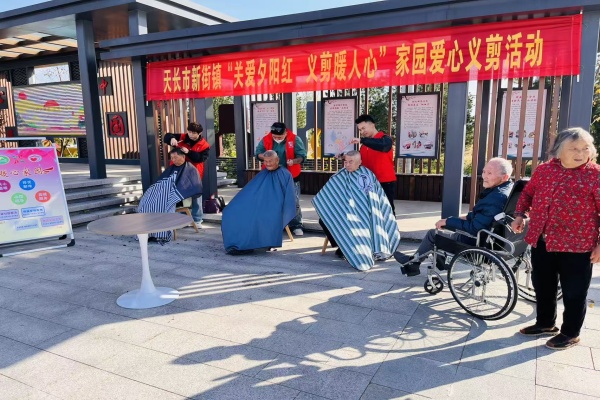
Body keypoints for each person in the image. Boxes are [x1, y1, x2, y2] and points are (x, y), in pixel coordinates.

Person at [512, 128, 600, 350]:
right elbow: (528, 193)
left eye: (585, 148)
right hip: (543, 239)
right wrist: (520, 214)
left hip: (578, 245)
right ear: (559, 150)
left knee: (574, 292)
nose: (581, 153)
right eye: (574, 148)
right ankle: (545, 323)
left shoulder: (595, 174)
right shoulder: (544, 170)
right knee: (543, 285)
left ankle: (570, 333)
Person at [394, 157, 513, 276]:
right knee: (447, 230)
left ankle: (413, 263)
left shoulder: (495, 198)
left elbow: (475, 228)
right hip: (494, 241)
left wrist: (449, 221)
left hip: (478, 244)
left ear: (504, 177)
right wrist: (461, 218)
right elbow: (483, 215)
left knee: (433, 234)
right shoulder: (507, 190)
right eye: (484, 171)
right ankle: (440, 260)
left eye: (490, 173)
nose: (484, 176)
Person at [313, 150, 401, 271]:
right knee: (324, 219)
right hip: (344, 209)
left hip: (363, 212)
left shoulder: (365, 176)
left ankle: (358, 247)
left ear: (360, 162)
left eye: (351, 162)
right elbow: (331, 194)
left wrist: (357, 209)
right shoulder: (340, 175)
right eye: (346, 161)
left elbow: (371, 200)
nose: (347, 164)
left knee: (354, 220)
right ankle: (342, 245)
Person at [221, 150, 296, 254]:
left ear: (277, 160)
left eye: (270, 161)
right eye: (265, 161)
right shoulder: (263, 173)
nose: (268, 164)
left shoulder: (285, 174)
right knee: (231, 211)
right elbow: (250, 191)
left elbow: (289, 196)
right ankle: (241, 242)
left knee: (257, 216)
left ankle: (256, 242)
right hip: (259, 203)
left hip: (274, 206)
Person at [137, 147, 203, 242]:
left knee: (162, 205)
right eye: (171, 158)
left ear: (183, 157)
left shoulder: (190, 169)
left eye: (175, 157)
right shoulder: (171, 168)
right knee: (146, 203)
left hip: (178, 197)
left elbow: (192, 186)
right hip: (165, 193)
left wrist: (172, 192)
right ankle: (147, 233)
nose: (173, 160)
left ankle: (161, 234)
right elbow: (161, 182)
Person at [255, 122, 307, 236]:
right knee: (271, 200)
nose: (277, 139)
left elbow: (302, 156)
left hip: (290, 175)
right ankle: (273, 224)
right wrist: (266, 156)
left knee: (293, 201)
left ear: (285, 133)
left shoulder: (295, 139)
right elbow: (258, 153)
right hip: (271, 174)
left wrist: (294, 161)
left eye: (280, 137)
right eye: (275, 137)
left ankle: (296, 225)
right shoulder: (266, 139)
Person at [164, 122, 210, 226]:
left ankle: (197, 220)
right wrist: (171, 139)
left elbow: (200, 159)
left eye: (194, 133)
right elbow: (167, 136)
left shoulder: (205, 145)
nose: (191, 135)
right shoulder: (182, 137)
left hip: (194, 173)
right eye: (189, 132)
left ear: (199, 133)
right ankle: (176, 219)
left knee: (196, 195)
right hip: (177, 170)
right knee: (173, 193)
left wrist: (188, 152)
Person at [351, 114, 397, 215]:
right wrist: (343, 157)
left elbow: (384, 146)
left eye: (363, 128)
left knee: (387, 211)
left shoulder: (385, 139)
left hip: (385, 182)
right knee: (370, 211)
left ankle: (391, 226)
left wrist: (362, 140)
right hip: (368, 183)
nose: (362, 132)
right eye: (360, 130)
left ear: (372, 125)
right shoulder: (364, 145)